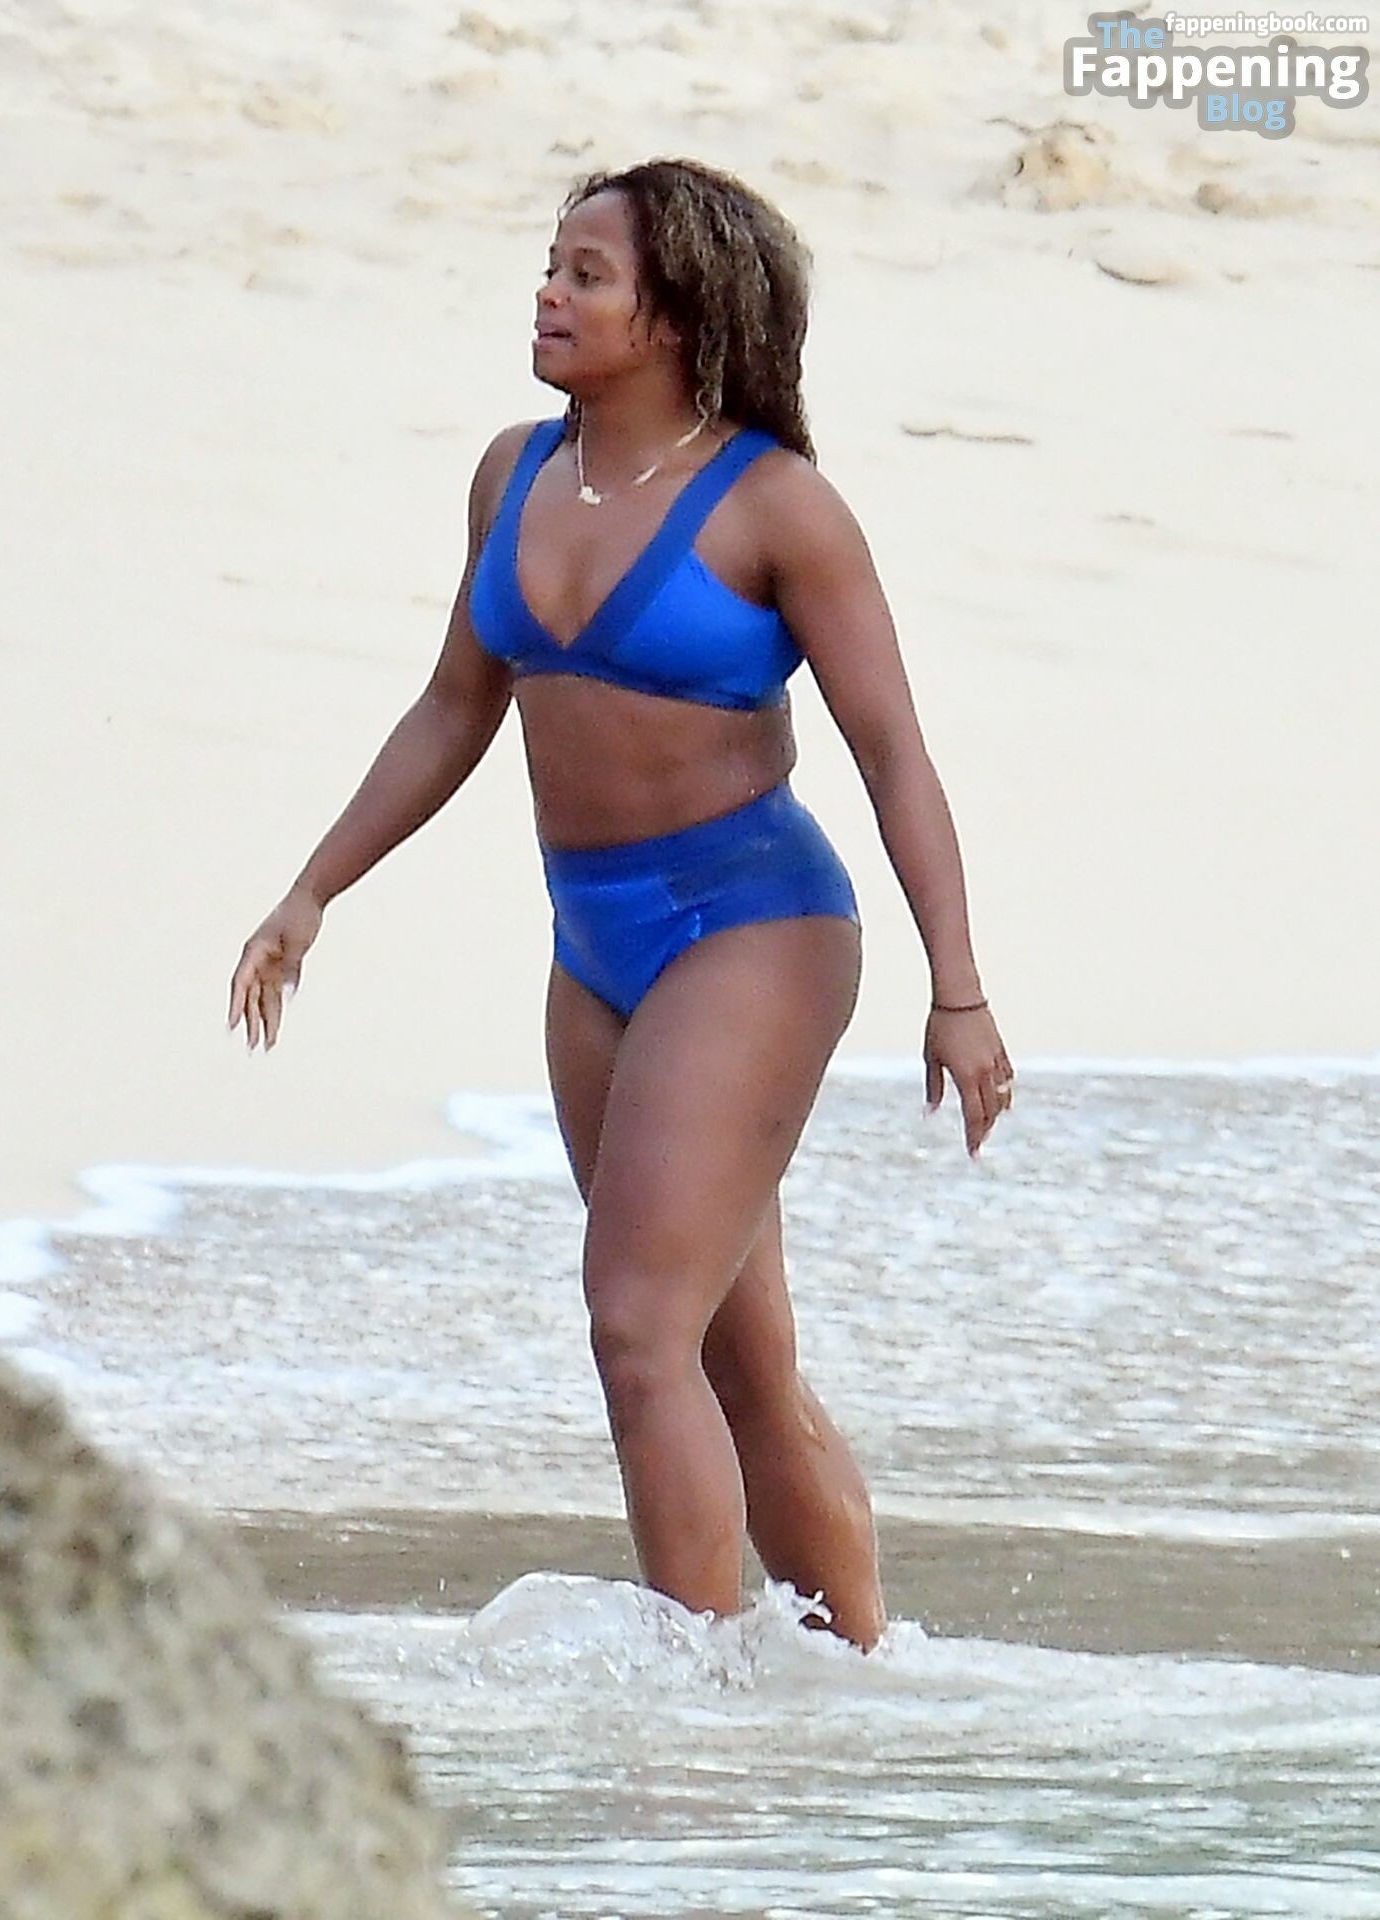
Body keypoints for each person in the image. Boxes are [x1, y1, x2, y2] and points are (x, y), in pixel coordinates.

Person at [228, 158, 1014, 1656]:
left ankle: (693, 1712)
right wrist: (312, 891)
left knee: (637, 1326)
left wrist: (958, 990)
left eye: (586, 274)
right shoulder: (512, 473)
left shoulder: (776, 507)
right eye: (551, 264)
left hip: (756, 926)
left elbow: (894, 752)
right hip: (591, 942)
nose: (548, 293)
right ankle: (857, 1677)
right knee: (736, 1358)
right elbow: (454, 707)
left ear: (677, 314)